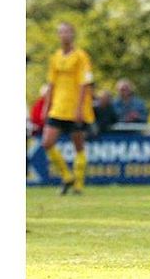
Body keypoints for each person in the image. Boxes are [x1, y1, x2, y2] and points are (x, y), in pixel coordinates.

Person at [41, 22, 95, 195]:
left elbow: (84, 84)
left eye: (67, 32)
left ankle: (78, 184)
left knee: (78, 146)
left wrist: (79, 108)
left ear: (73, 35)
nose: (64, 35)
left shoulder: (81, 56)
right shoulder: (55, 57)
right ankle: (66, 176)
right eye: (61, 32)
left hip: (75, 109)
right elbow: (51, 83)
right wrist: (46, 105)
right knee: (47, 143)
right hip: (58, 108)